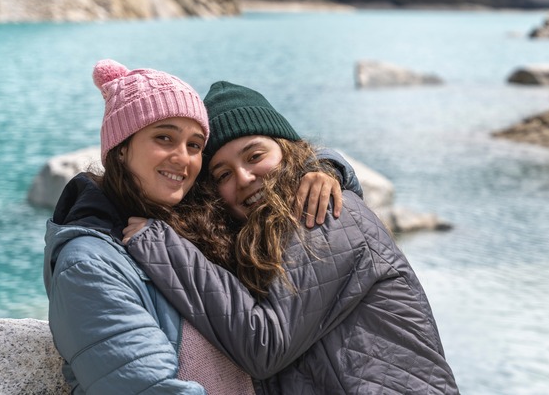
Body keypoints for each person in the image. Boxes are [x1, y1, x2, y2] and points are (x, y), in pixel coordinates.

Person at [124, 81, 460, 394]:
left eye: (255, 156)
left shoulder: (326, 215)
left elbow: (264, 346)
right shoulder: (257, 239)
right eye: (223, 174)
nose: (243, 178)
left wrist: (160, 244)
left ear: (288, 151)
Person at [43, 60, 350, 394]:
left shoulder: (190, 226)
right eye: (164, 137)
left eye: (194, 145)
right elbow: (150, 388)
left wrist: (325, 168)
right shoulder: (89, 263)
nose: (182, 157)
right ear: (121, 148)